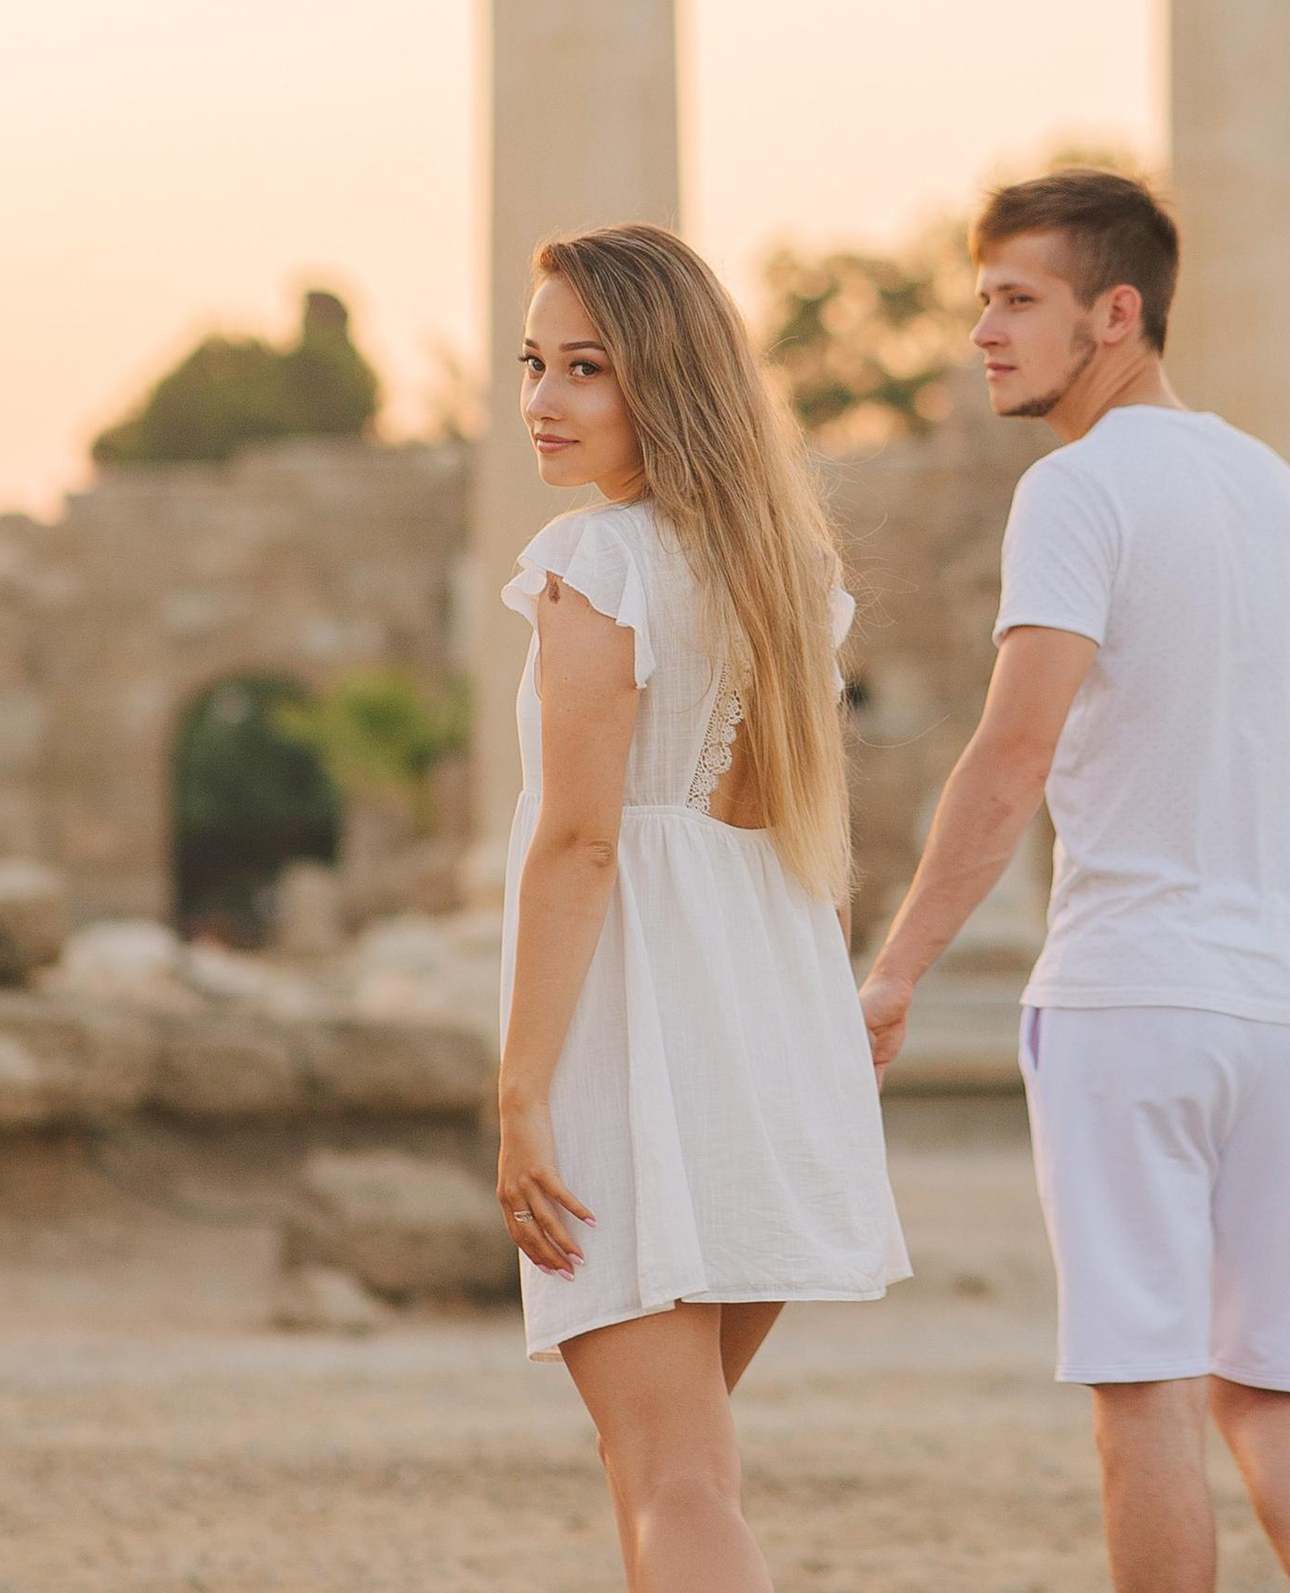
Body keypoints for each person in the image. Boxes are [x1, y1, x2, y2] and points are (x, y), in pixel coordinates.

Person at [860, 168, 1290, 1593]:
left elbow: (1011, 755)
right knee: (1272, 1389)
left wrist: (896, 970)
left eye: (1018, 301)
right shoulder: (1285, 493)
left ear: (1119, 313)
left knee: (1142, 1390)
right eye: (982, 302)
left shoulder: (1075, 490)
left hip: (1137, 996)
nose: (984, 332)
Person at [494, 222, 909, 1593]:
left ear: (663, 382)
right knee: (666, 1465)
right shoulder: (785, 575)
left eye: (587, 370)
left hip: (644, 1037)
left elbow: (579, 843)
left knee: (676, 1476)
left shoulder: (594, 558)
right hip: (770, 1036)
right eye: (534, 363)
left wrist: (521, 1092)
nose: (544, 401)